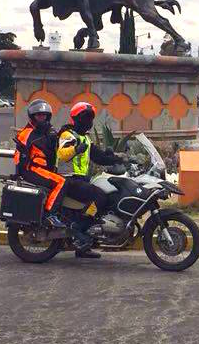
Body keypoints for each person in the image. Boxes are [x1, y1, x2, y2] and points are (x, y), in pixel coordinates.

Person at [57, 101, 127, 258]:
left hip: (81, 180)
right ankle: (79, 228)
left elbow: (99, 157)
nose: (88, 122)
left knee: (106, 195)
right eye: (85, 118)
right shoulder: (68, 135)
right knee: (100, 197)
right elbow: (62, 153)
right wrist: (75, 149)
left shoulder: (85, 138)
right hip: (68, 180)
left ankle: (83, 246)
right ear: (76, 119)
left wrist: (117, 158)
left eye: (90, 118)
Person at [13, 99, 66, 228]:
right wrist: (20, 172)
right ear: (33, 117)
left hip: (45, 170)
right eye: (38, 115)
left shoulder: (50, 131)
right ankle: (50, 215)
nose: (42, 118)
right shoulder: (27, 133)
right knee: (61, 182)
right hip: (32, 169)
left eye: (44, 115)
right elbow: (19, 154)